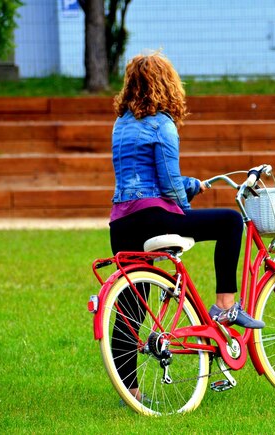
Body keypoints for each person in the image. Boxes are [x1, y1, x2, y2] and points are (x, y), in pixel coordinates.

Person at [108, 52, 264, 400]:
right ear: (167, 84)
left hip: (121, 223)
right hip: (152, 217)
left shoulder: (121, 123)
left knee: (131, 306)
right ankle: (226, 305)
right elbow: (167, 185)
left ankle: (130, 389)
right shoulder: (162, 123)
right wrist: (185, 206)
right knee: (229, 221)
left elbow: (146, 175)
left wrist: (190, 182)